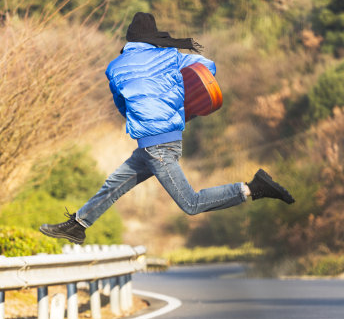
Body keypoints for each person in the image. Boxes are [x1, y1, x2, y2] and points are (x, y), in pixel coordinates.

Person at [39, 12, 295, 245]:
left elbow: (122, 106)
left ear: (129, 40)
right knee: (115, 184)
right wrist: (178, 89)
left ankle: (253, 187)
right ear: (153, 38)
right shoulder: (171, 56)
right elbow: (208, 68)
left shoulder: (114, 67)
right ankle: (79, 224)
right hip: (160, 142)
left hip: (154, 143)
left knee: (191, 204)